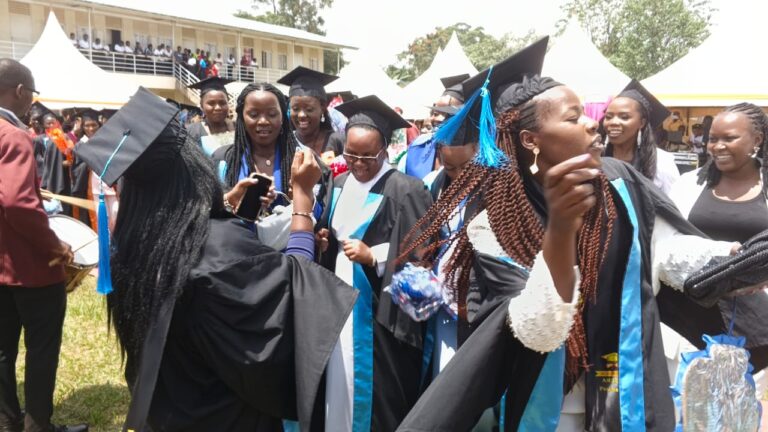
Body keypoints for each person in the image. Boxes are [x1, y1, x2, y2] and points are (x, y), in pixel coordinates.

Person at [396, 70, 764, 431]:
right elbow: (537, 330)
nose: (592, 124)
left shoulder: (618, 182)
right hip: (549, 400)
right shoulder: (495, 220)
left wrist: (729, 261)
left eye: (586, 114)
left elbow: (665, 249)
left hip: (626, 381)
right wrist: (561, 230)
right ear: (530, 139)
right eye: (573, 118)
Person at [75, 87, 357, 432]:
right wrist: (302, 203)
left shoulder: (138, 244)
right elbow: (296, 292)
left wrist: (225, 208)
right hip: (226, 415)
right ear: (194, 169)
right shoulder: (218, 247)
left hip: (171, 410)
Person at [315, 95, 434, 431]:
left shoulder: (407, 189)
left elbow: (422, 253)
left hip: (379, 311)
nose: (358, 163)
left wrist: (375, 256)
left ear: (384, 150)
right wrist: (323, 241)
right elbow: (330, 232)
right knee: (338, 378)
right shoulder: (338, 183)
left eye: (368, 155)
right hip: (339, 299)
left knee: (375, 391)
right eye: (351, 154)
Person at [0, 58, 86, 432]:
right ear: (21, 91)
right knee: (41, 349)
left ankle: (7, 421)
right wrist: (55, 246)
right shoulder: (13, 136)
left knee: (2, 350)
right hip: (31, 268)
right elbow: (18, 203)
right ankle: (38, 426)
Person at [668, 102, 768, 387]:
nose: (718, 146)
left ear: (757, 140)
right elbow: (667, 240)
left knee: (743, 398)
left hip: (758, 321)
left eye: (729, 138)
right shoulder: (689, 184)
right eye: (713, 138)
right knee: (689, 398)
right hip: (691, 315)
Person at [213, 83, 333, 251]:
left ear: (283, 116)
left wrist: (300, 197)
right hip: (237, 254)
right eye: (253, 114)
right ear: (242, 117)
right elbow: (209, 215)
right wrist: (231, 200)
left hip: (289, 257)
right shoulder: (223, 160)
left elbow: (323, 214)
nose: (263, 121)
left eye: (272, 114)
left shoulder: (305, 160)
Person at [603, 80, 680, 195]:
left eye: (624, 117)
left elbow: (673, 202)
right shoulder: (598, 157)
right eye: (608, 117)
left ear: (642, 123)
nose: (613, 122)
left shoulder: (661, 162)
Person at [397, 73, 470, 179]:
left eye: (446, 113)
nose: (433, 119)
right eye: (435, 113)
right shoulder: (418, 147)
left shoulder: (477, 151)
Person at [277, 66, 345, 156]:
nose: (301, 115)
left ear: (322, 107)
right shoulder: (285, 143)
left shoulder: (338, 141)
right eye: (295, 109)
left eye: (309, 109)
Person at [186, 77, 235, 156]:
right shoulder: (192, 132)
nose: (218, 108)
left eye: (222, 103)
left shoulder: (239, 129)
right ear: (202, 106)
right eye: (211, 103)